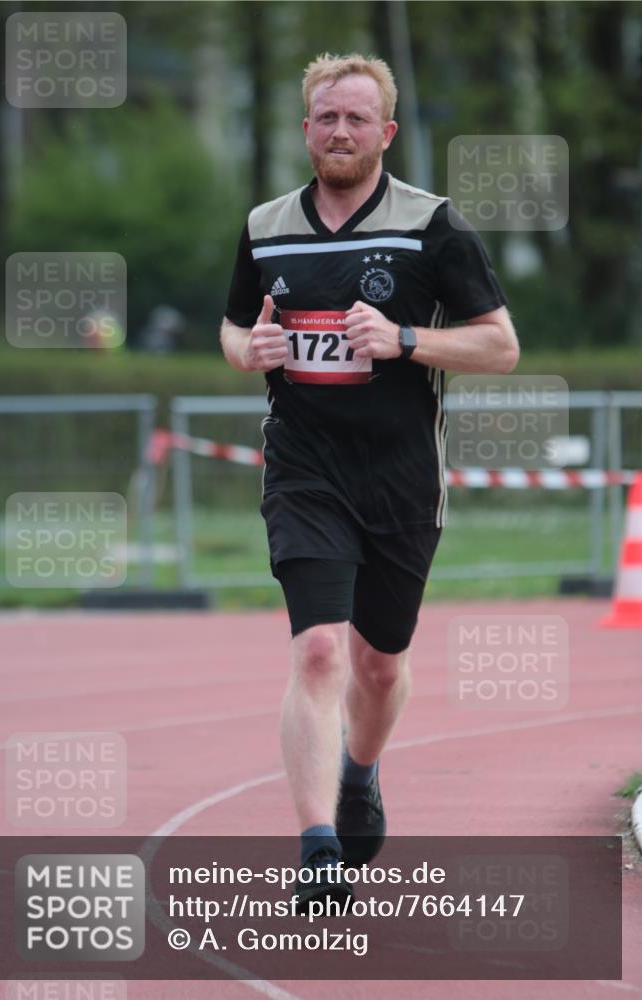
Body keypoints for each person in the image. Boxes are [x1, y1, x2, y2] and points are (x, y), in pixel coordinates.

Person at [220, 53, 519, 910]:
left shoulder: (433, 226)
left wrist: (405, 340)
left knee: (377, 665)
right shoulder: (265, 224)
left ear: (384, 132)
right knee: (317, 650)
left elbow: (499, 345)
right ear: (304, 129)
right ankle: (318, 847)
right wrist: (253, 352)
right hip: (304, 468)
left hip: (399, 479)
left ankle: (359, 773)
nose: (340, 131)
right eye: (326, 117)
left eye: (356, 118)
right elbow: (236, 329)